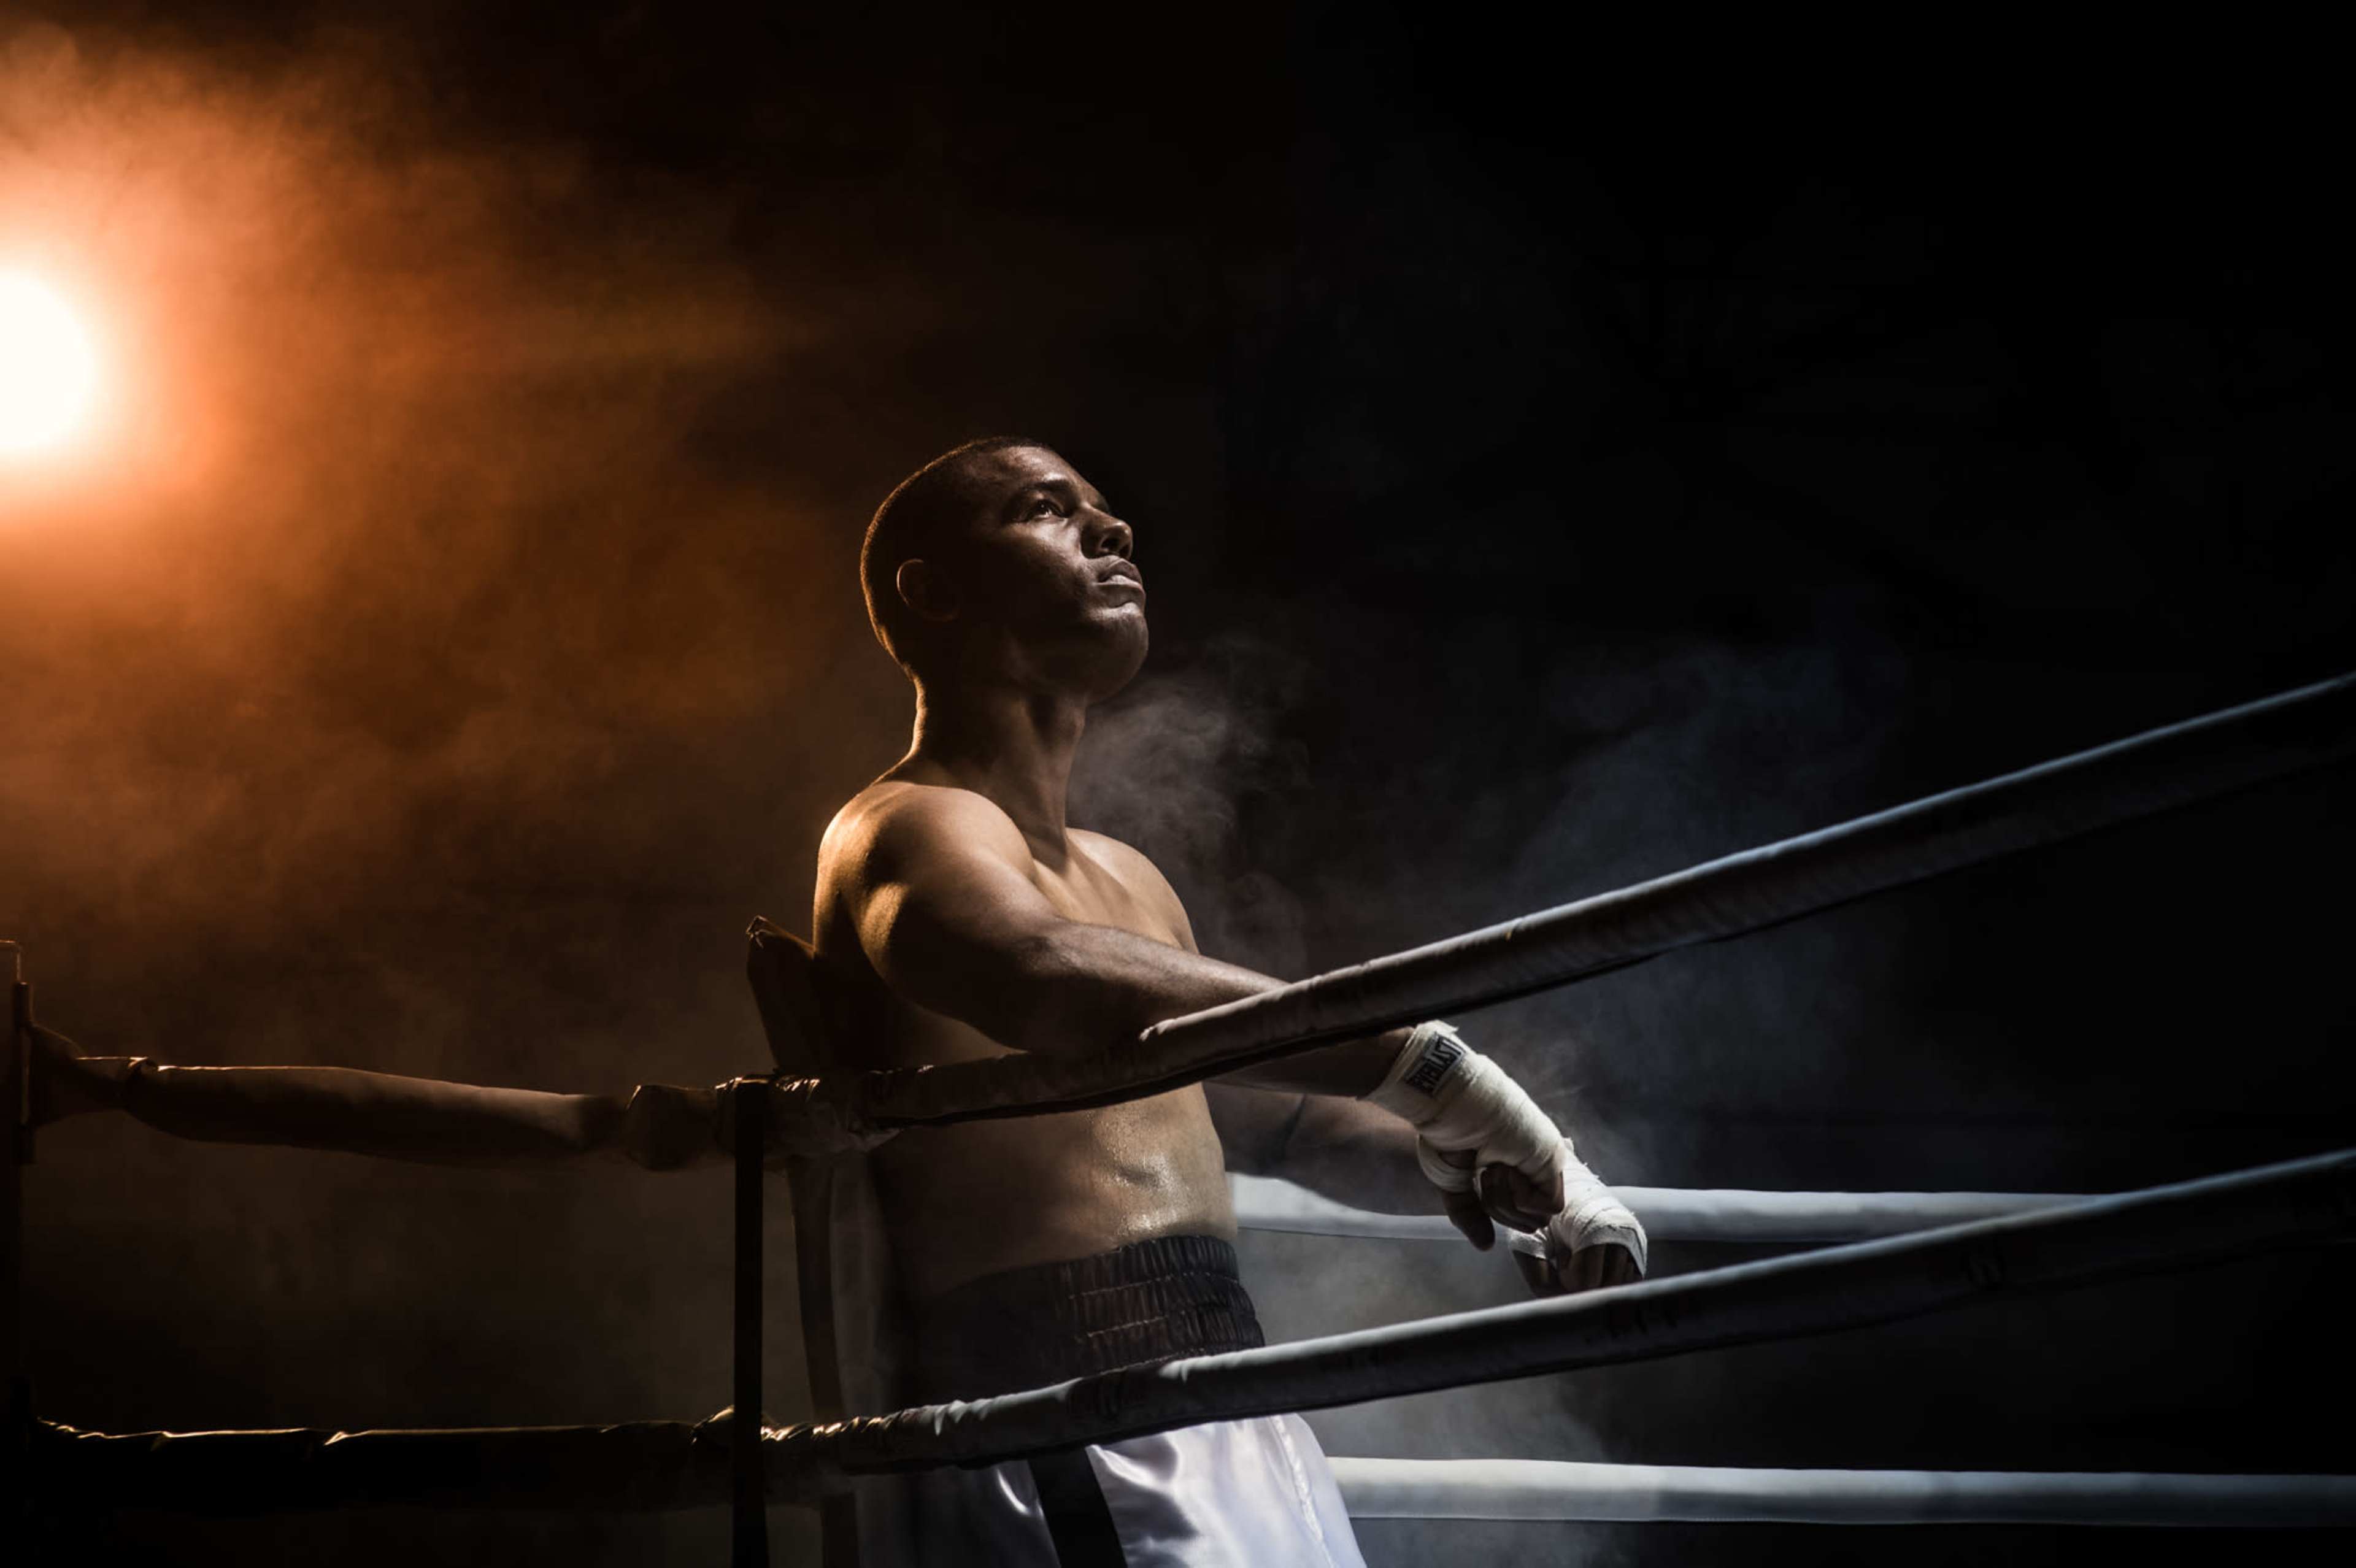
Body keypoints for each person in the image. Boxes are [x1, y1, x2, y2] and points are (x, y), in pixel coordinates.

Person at [814, 437, 1647, 1565]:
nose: (1114, 533)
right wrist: (1425, 1062)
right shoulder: (904, 823)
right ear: (933, 589)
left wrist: (1493, 1161)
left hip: (1232, 1405)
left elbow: (1269, 1119)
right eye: (1049, 510)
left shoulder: (1129, 875)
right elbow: (1028, 973)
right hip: (1063, 1412)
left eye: (1108, 511)